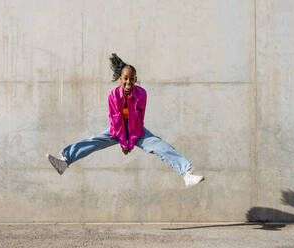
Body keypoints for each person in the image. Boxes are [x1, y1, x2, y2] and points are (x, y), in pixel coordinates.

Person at [46, 53, 204, 187]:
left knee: (160, 146)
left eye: (132, 79)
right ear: (120, 79)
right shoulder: (113, 96)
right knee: (93, 142)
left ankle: (186, 174)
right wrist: (124, 144)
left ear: (136, 79)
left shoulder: (141, 94)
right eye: (125, 79)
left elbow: (139, 120)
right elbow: (116, 122)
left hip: (137, 130)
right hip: (117, 130)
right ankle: (64, 161)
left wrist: (131, 141)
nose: (128, 83)